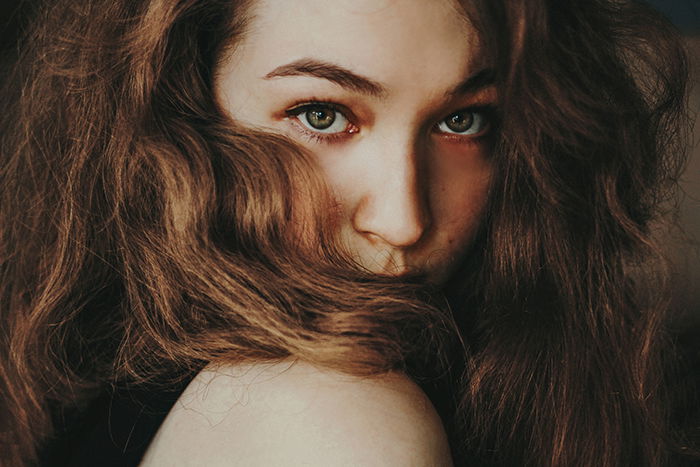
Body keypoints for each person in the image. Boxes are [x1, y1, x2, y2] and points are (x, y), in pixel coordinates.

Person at [0, 0, 697, 465]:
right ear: (178, 108)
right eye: (323, 114)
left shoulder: (112, 376)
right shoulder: (332, 419)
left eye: (464, 120)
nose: (402, 219)